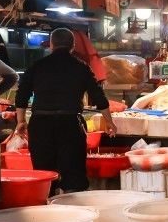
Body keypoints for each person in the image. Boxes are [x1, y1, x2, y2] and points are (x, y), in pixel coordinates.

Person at [14, 28, 116, 193]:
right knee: (74, 176)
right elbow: (98, 96)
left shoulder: (37, 66)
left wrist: (21, 121)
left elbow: (21, 95)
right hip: (70, 125)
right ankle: (74, 213)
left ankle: (47, 210)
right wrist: (109, 121)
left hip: (41, 125)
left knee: (44, 175)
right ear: (73, 45)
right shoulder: (81, 67)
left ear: (51, 44)